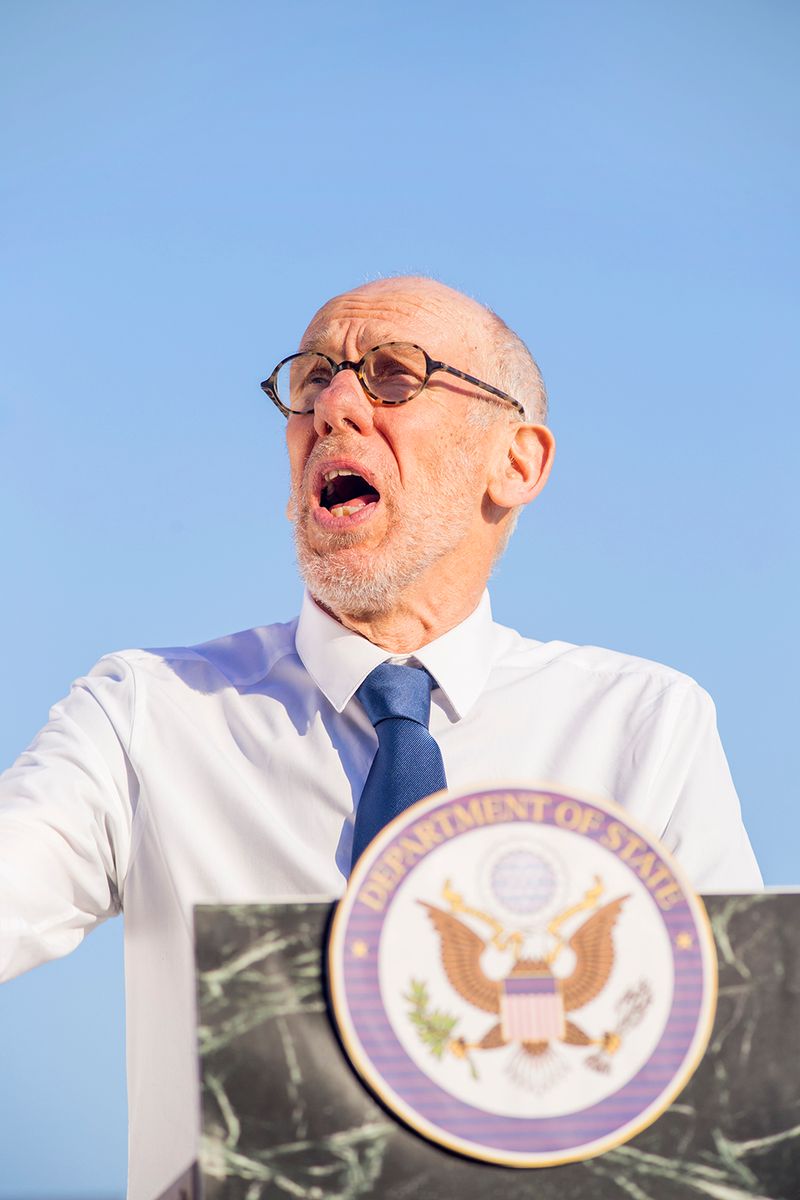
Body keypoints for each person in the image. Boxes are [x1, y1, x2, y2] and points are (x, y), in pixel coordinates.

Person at [0, 276, 761, 1199]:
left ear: (516, 462)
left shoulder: (645, 726)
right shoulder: (146, 713)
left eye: (394, 376)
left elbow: (730, 1082)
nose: (334, 405)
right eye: (312, 378)